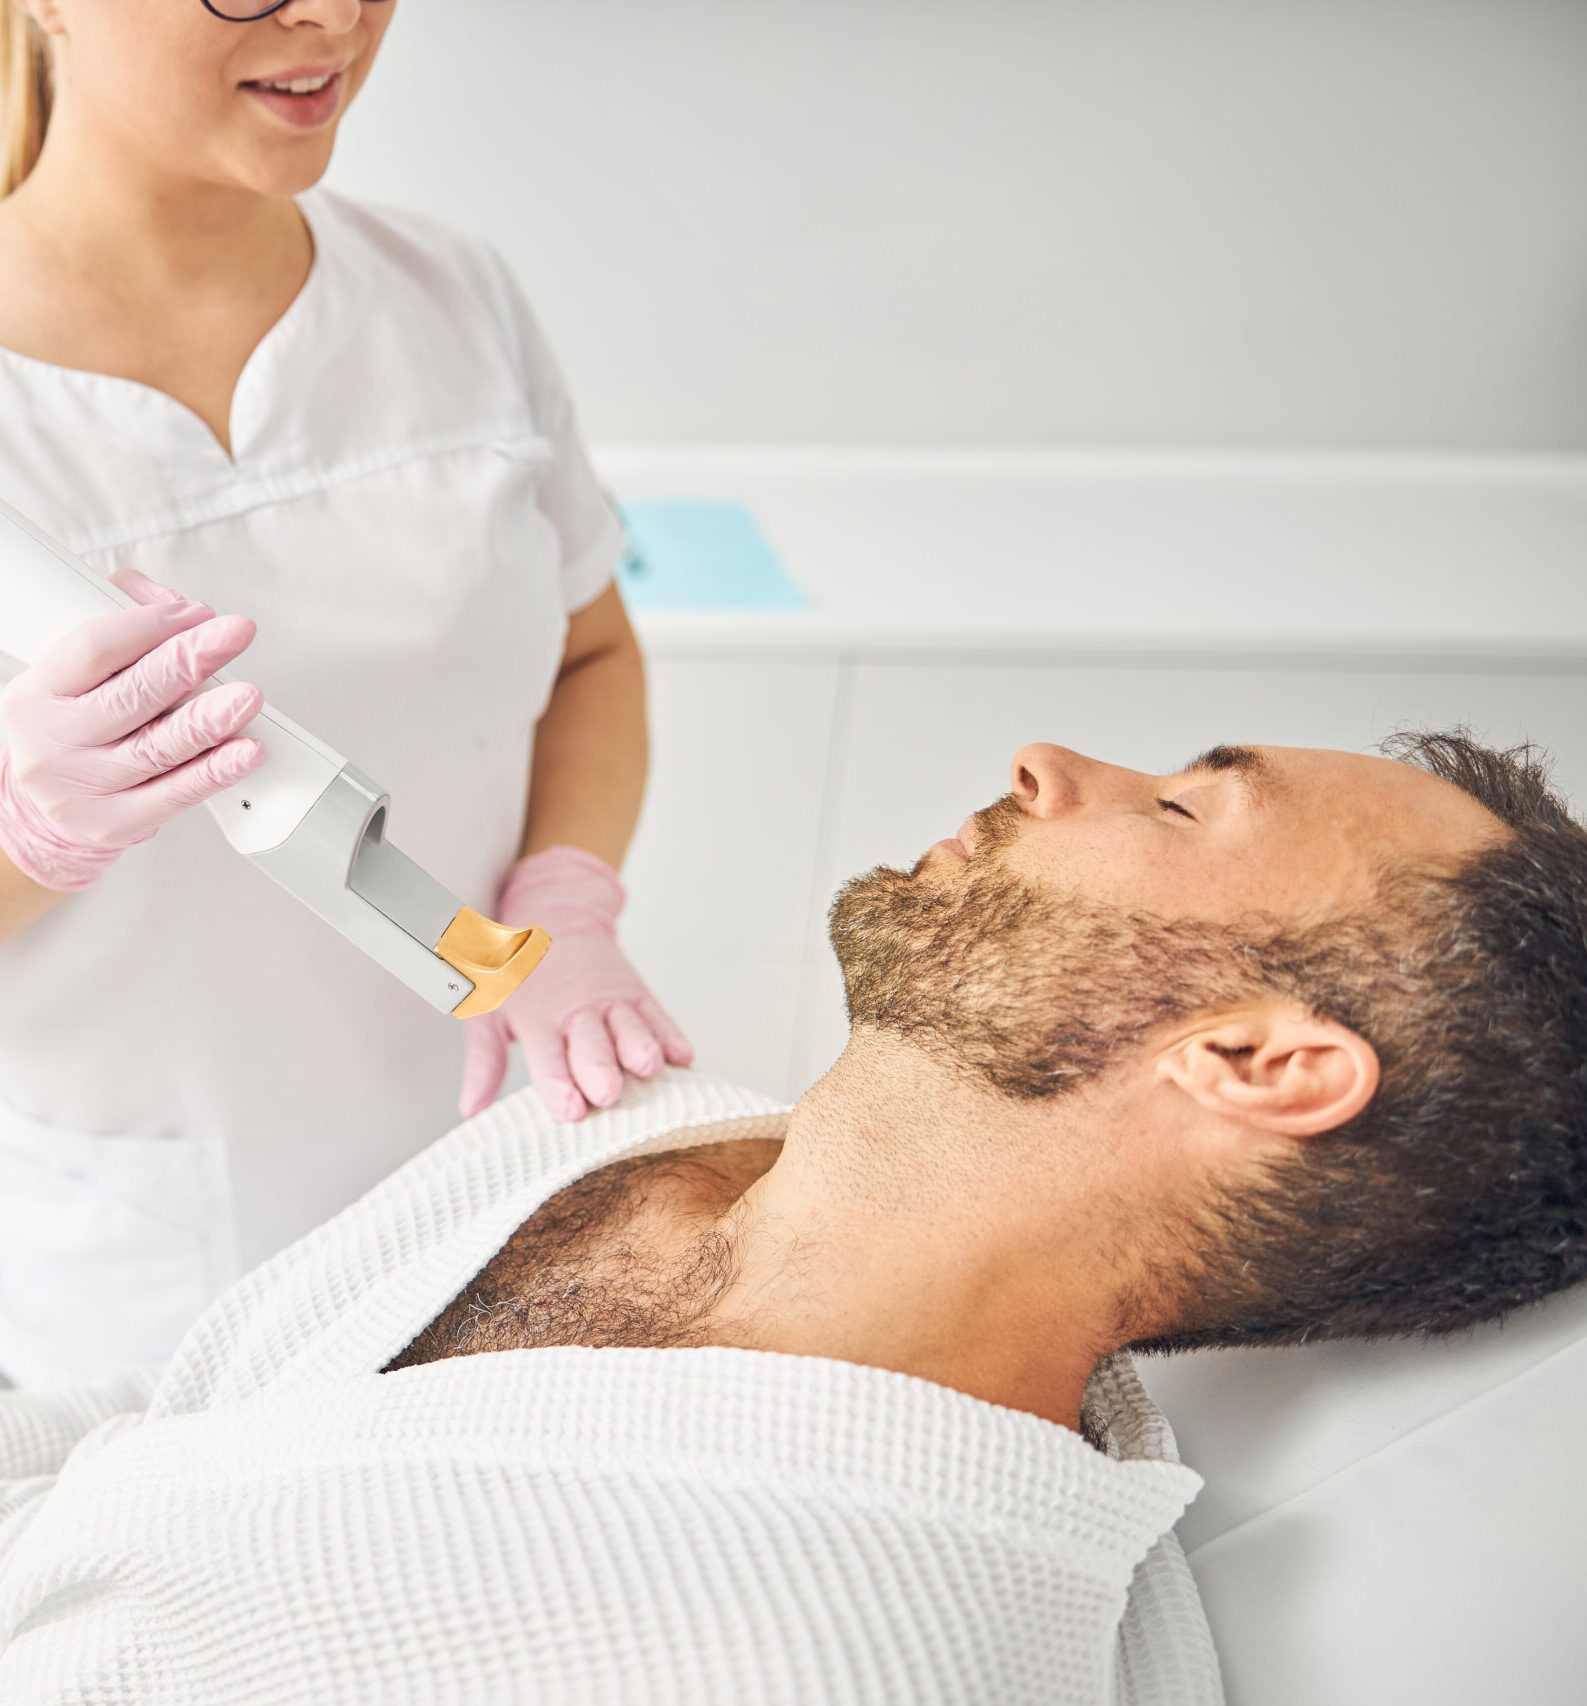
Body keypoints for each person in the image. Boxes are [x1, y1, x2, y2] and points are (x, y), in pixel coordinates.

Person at [1, 727, 1583, 1705]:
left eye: (1175, 809)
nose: (1047, 761)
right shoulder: (640, 1135)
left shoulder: (842, 1649)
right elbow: (160, 1422)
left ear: (1256, 1060)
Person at [0, 0, 690, 1387]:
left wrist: (565, 891)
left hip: (486, 1169)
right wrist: (29, 835)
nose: (327, 16)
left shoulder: (455, 297)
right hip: (135, 1264)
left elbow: (593, 654)